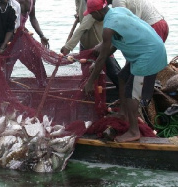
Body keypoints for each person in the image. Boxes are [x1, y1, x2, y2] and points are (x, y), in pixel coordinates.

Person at [83, 0, 167, 142]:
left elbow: (103, 56)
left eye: (91, 14)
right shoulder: (118, 11)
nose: (91, 17)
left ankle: (134, 131)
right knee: (122, 76)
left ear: (97, 12)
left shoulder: (108, 27)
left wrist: (90, 82)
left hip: (148, 55)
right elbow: (115, 43)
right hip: (149, 49)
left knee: (131, 93)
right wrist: (98, 58)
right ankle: (124, 114)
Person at [60, 0, 121, 88]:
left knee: (113, 72)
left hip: (98, 45)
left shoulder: (95, 5)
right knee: (87, 72)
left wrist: (68, 47)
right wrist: (78, 12)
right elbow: (77, 3)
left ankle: (126, 93)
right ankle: (90, 92)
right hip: (84, 42)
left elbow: (83, 28)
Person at [4, 0, 49, 87]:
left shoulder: (32, 1)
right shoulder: (12, 2)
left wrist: (41, 35)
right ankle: (4, 86)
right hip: (9, 37)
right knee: (8, 63)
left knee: (36, 59)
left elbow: (33, 18)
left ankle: (42, 85)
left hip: (22, 36)